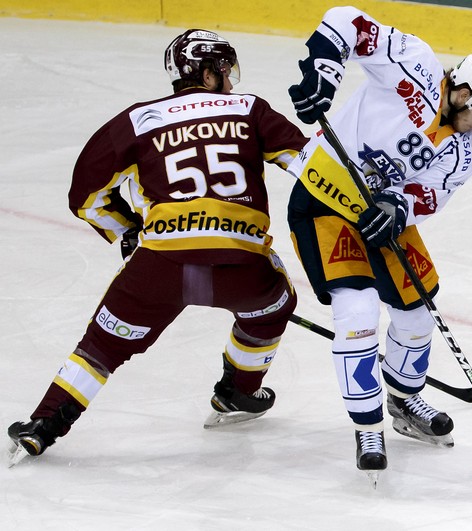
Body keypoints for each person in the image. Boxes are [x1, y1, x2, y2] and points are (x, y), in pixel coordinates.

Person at [7, 29, 309, 463]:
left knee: (101, 347)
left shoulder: (135, 120)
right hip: (241, 268)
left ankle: (43, 425)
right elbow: (309, 165)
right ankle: (239, 392)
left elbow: (85, 197)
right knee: (275, 305)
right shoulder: (249, 110)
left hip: (160, 268)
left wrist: (127, 231)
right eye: (225, 72)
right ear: (207, 74)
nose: (230, 82)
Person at [285, 6, 472, 474]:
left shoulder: (465, 152)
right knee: (358, 311)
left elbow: (431, 193)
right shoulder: (415, 64)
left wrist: (400, 206)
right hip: (323, 197)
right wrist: (322, 74)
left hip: (380, 217)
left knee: (418, 311)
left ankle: (404, 398)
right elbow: (347, 20)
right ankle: (367, 424)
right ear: (465, 89)